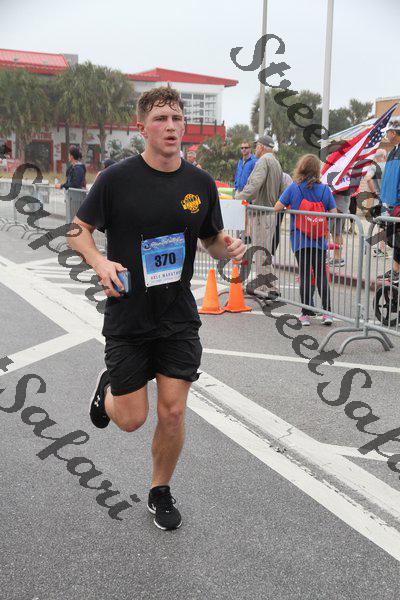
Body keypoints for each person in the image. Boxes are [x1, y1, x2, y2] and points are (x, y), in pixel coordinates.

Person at [68, 86, 245, 531]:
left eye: (177, 118)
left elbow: (210, 239)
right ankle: (107, 389)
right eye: (161, 119)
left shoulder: (200, 183)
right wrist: (99, 261)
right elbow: (76, 230)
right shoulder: (116, 180)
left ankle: (160, 489)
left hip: (177, 315)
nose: (171, 126)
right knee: (131, 419)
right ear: (142, 128)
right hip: (129, 313)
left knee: (173, 411)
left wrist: (226, 248)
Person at [274, 154, 337, 327]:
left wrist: (290, 209)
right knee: (321, 274)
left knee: (305, 275)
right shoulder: (325, 190)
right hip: (319, 240)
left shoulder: (294, 188)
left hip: (300, 240)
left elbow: (277, 207)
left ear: (301, 168)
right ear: (317, 170)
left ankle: (306, 314)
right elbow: (334, 213)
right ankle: (327, 312)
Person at [236, 134, 284, 299]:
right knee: (265, 251)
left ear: (262, 147)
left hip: (261, 213)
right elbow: (282, 188)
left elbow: (255, 184)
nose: (255, 149)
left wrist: (238, 199)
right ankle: (268, 287)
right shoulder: (276, 162)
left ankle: (267, 288)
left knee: (261, 252)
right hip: (269, 212)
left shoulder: (263, 161)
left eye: (256, 146)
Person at [379, 124, 400, 284]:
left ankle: (396, 271)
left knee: (398, 239)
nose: (386, 136)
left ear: (394, 133)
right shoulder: (393, 151)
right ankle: (395, 269)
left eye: (388, 133)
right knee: (394, 239)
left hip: (397, 202)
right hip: (389, 201)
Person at [365, 148, 387, 256]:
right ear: (385, 157)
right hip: (390, 198)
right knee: (385, 224)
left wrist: (374, 193)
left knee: (381, 224)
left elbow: (368, 179)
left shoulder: (373, 167)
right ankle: (382, 249)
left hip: (379, 199)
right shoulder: (389, 167)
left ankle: (382, 249)